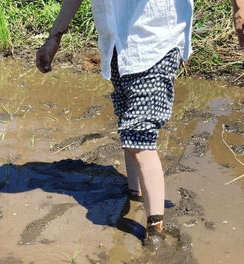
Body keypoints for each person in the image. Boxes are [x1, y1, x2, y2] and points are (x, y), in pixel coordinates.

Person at [36, 0, 193, 247]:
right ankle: (135, 192)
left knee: (138, 136)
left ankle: (156, 233)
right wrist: (54, 36)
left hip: (157, 40)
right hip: (118, 43)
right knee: (127, 121)